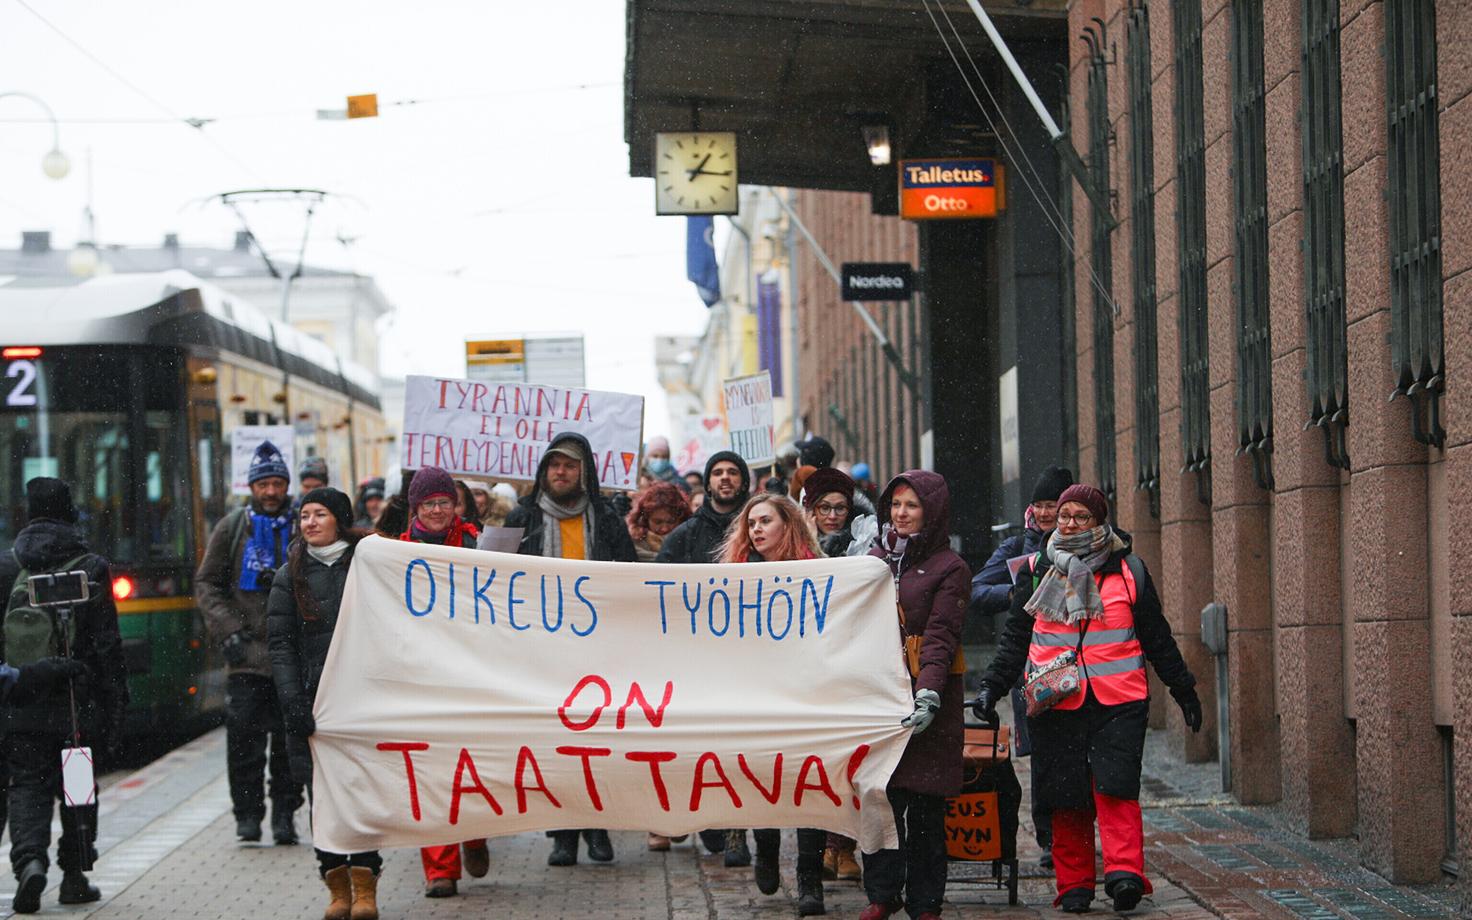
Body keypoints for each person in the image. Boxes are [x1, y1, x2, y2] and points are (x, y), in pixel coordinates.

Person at [973, 484, 1201, 914]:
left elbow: (1156, 636)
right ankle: (1074, 884)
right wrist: (991, 687)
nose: (1071, 524)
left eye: (1081, 517)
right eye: (1064, 516)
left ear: (1100, 522)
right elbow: (1015, 639)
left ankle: (1125, 875)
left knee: (1116, 788)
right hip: (1055, 702)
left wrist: (1183, 687)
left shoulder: (1128, 570)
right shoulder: (1037, 570)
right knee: (1066, 795)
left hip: (1120, 700)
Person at [504, 433, 637, 867]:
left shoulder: (606, 519)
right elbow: (490, 578)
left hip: (599, 650)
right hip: (540, 650)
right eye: (553, 465)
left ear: (585, 472)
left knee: (597, 744)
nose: (560, 472)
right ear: (543, 471)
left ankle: (598, 827)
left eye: (569, 465)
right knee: (554, 745)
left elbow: (631, 579)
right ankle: (562, 834)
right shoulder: (520, 518)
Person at [0, 478, 128, 914]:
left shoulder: (7, 566)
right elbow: (108, 645)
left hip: (22, 698)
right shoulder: (91, 566)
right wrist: (114, 704)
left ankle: (29, 861)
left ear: (27, 512)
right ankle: (74, 877)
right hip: (77, 700)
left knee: (27, 785)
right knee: (76, 788)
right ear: (70, 511)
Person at [855, 471, 967, 920]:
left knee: (924, 808)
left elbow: (941, 636)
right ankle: (882, 894)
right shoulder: (871, 559)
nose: (900, 514)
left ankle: (925, 902)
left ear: (932, 511)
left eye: (912, 506)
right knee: (878, 801)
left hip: (928, 696)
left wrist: (929, 696)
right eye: (895, 505)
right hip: (878, 694)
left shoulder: (950, 567)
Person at [266, 488, 380, 920]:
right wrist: (294, 702)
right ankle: (337, 886)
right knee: (323, 799)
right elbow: (281, 646)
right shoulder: (288, 574)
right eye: (305, 516)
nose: (310, 523)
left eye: (320, 514)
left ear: (340, 519)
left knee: (363, 794)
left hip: (362, 701)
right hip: (314, 708)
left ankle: (366, 884)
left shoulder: (368, 564)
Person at [718, 494, 827, 916]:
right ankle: (765, 847)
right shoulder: (733, 578)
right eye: (751, 524)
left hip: (806, 695)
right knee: (765, 777)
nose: (756, 530)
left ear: (790, 524)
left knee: (811, 787)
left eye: (766, 521)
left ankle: (809, 879)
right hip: (755, 697)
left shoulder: (819, 572)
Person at [196, 441, 304, 845]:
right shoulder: (232, 527)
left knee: (289, 745)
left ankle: (284, 817)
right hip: (245, 657)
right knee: (243, 742)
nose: (271, 492)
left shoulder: (300, 525)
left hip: (291, 656)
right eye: (264, 485)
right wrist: (228, 631)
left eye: (278, 483)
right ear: (252, 487)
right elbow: (207, 583)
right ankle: (247, 815)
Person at [969, 465, 1073, 868]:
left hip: (1080, 664)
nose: (1047, 514)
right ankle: (1050, 840)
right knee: (1044, 757)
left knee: (1078, 759)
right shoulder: (1017, 547)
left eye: (1055, 506)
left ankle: (1074, 832)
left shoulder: (1088, 546)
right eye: (1041, 506)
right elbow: (977, 589)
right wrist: (1016, 592)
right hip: (1028, 664)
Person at [654, 449, 751, 858]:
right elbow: (657, 592)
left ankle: (736, 834)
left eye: (732, 472)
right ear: (707, 483)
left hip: (749, 659)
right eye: (717, 473)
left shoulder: (761, 528)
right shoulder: (686, 536)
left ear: (743, 482)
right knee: (704, 746)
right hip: (697, 661)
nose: (725, 479)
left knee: (742, 747)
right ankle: (710, 819)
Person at [395, 466, 487, 897]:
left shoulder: (477, 543)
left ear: (455, 505)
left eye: (443, 503)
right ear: (416, 507)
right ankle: (440, 869)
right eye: (428, 503)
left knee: (474, 766)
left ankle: (475, 834)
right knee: (431, 773)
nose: (436, 510)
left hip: (474, 675)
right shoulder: (394, 554)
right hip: (424, 677)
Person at [800, 466, 858, 559]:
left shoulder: (863, 543)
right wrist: (811, 543)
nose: (832, 516)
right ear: (811, 511)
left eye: (840, 508)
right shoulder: (792, 546)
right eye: (824, 508)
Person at [626, 481, 691, 564]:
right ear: (645, 519)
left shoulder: (691, 542)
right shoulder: (631, 543)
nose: (664, 528)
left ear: (681, 518)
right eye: (657, 522)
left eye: (671, 521)